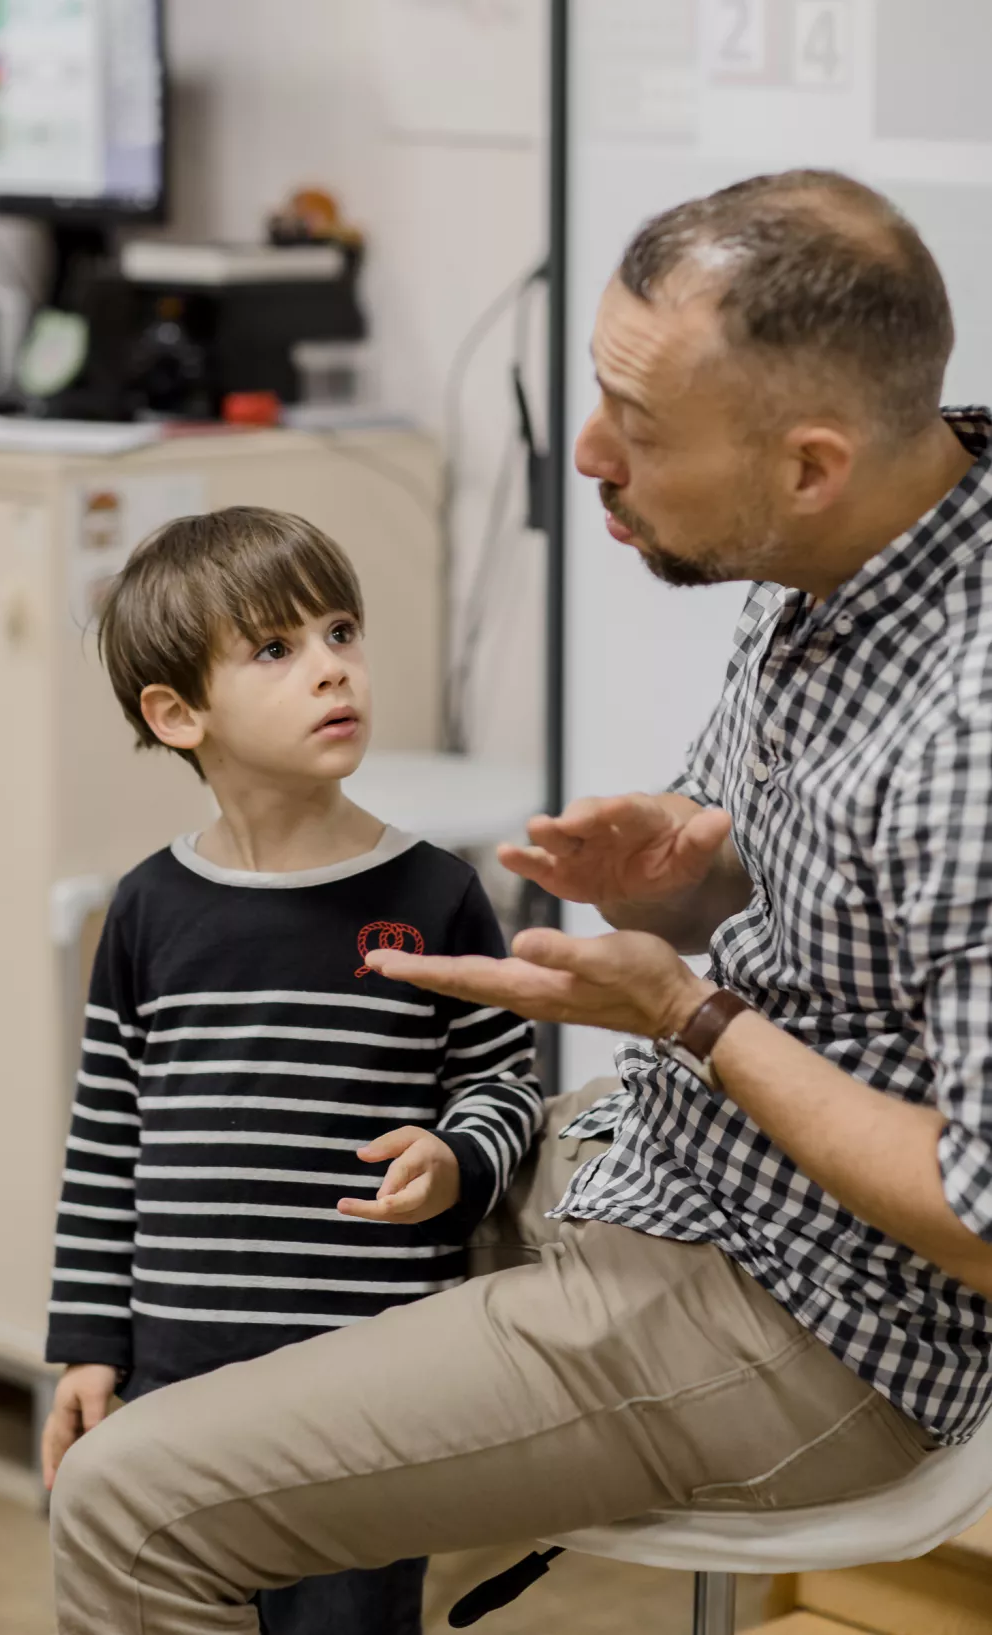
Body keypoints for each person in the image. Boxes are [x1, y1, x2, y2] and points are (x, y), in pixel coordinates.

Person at [50, 170, 992, 1635]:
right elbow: (833, 929)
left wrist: (689, 1011)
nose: (591, 453)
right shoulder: (832, 540)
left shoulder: (966, 726)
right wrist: (694, 870)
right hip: (657, 1166)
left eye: (643, 431)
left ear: (808, 463)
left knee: (122, 1501)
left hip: (804, 1313)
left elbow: (980, 1216)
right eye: (598, 396)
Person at [40, 505, 542, 1635]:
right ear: (177, 715)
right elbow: (106, 1139)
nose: (331, 670)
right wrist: (85, 1341)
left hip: (368, 1391)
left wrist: (458, 1158)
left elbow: (507, 1084)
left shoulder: (437, 897)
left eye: (340, 632)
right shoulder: (149, 910)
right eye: (276, 650)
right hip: (181, 1376)